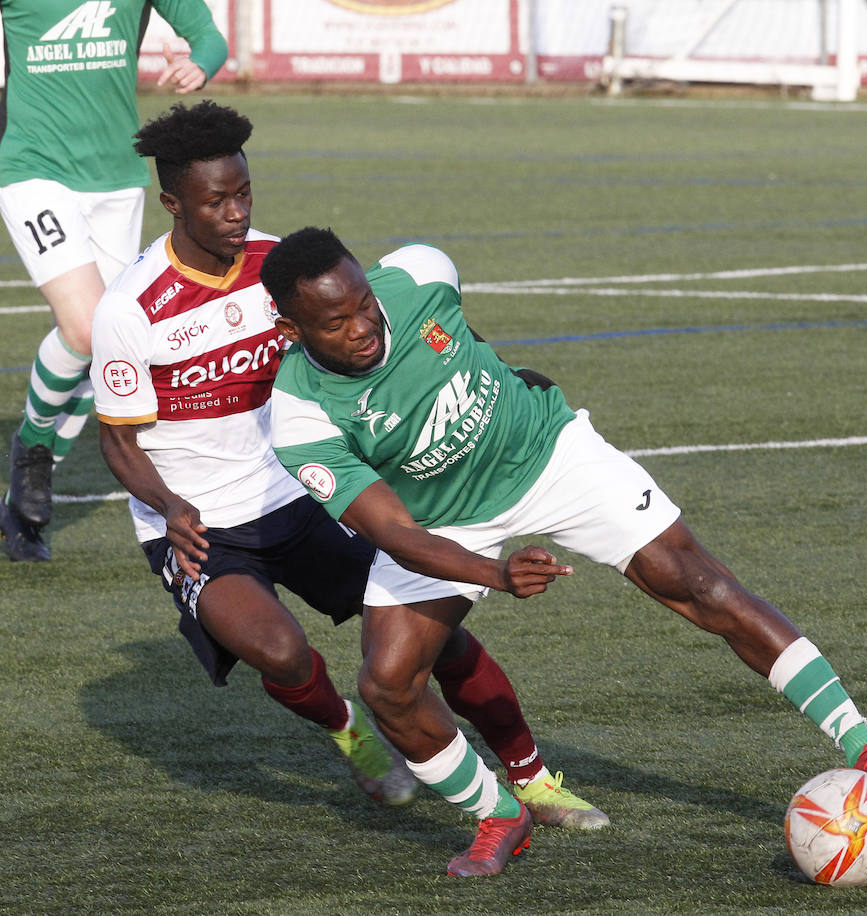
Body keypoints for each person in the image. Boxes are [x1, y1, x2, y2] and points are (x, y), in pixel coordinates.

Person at [260, 227, 867, 877]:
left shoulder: (419, 272)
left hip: (553, 456)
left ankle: (865, 745)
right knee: (387, 684)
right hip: (443, 523)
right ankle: (498, 815)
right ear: (291, 331)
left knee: (695, 580)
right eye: (337, 322)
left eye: (365, 305)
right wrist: (495, 574)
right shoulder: (301, 415)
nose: (364, 327)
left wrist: (496, 369)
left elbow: (460, 335)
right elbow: (394, 534)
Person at [90, 100, 612, 822]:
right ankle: (347, 729)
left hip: (306, 492)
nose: (237, 213)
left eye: (244, 193)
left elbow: (391, 330)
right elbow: (117, 439)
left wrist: (496, 374)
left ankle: (532, 778)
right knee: (280, 652)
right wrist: (170, 505)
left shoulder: (282, 270)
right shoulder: (129, 307)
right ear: (173, 202)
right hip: (199, 524)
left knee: (438, 637)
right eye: (216, 201)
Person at [0, 0, 228, 562]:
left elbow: (208, 34)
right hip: (32, 166)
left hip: (117, 175)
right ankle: (33, 447)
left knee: (109, 343)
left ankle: (22, 504)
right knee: (87, 327)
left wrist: (200, 64)